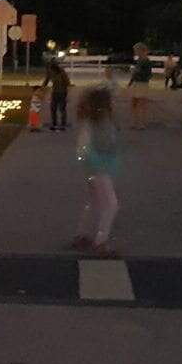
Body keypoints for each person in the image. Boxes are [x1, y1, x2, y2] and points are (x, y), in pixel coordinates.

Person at [73, 86, 122, 254]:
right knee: (111, 205)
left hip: (98, 168)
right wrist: (96, 164)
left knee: (95, 202)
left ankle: (82, 235)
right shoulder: (94, 123)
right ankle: (101, 241)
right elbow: (84, 148)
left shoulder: (101, 121)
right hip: (98, 169)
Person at [127, 43, 154, 129]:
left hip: (142, 83)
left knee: (142, 103)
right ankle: (135, 122)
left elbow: (148, 74)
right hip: (136, 82)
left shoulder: (146, 61)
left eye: (136, 50)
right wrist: (131, 82)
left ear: (141, 50)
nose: (135, 52)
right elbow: (135, 73)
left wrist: (137, 71)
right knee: (134, 103)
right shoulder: (139, 60)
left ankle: (142, 123)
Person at [40, 58, 71, 131]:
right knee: (53, 108)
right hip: (55, 92)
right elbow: (46, 80)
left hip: (62, 92)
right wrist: (41, 88)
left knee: (61, 108)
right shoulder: (50, 72)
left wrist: (67, 91)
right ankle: (54, 123)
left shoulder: (61, 72)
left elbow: (67, 82)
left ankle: (63, 124)